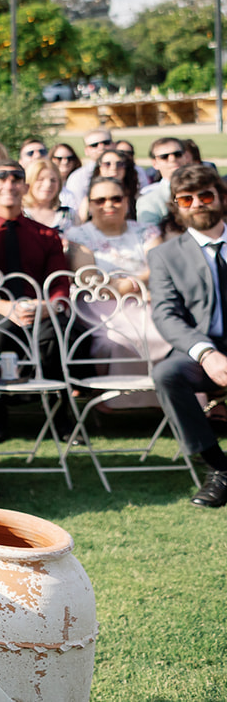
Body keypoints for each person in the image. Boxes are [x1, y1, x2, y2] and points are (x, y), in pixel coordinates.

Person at [0, 161, 72, 443]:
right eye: (1, 178)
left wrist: (48, 306)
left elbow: (60, 281)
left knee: (56, 333)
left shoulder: (46, 235)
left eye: (16, 179)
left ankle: (60, 415)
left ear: (25, 188)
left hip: (40, 308)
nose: (9, 184)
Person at [145, 163, 227, 507]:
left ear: (221, 197)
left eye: (206, 195)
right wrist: (206, 353)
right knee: (166, 374)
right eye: (187, 198)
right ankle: (219, 468)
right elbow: (165, 313)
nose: (198, 204)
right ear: (176, 207)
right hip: (201, 348)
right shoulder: (164, 255)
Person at [64, 177, 165, 409]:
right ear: (89, 205)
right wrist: (129, 285)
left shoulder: (146, 231)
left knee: (165, 335)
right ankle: (112, 398)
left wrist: (128, 285)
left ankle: (167, 397)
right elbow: (87, 276)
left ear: (127, 201)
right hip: (99, 305)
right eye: (99, 200)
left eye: (116, 199)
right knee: (116, 341)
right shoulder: (79, 236)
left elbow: (158, 267)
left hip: (146, 303)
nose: (108, 205)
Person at [138, 136, 193, 228]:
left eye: (177, 154)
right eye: (164, 157)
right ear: (155, 164)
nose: (172, 159)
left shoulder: (206, 188)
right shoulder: (149, 201)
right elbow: (150, 236)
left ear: (185, 157)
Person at [61, 128, 112, 216]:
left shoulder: (133, 170)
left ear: (114, 144)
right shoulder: (77, 177)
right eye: (94, 145)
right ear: (86, 151)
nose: (101, 147)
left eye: (106, 143)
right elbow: (76, 210)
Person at [81, 148, 140, 223]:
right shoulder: (89, 199)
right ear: (99, 168)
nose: (113, 168)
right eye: (107, 164)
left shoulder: (136, 197)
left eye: (119, 164)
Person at [21, 159, 73, 234]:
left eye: (53, 180)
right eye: (40, 179)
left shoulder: (70, 216)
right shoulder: (20, 214)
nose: (48, 184)